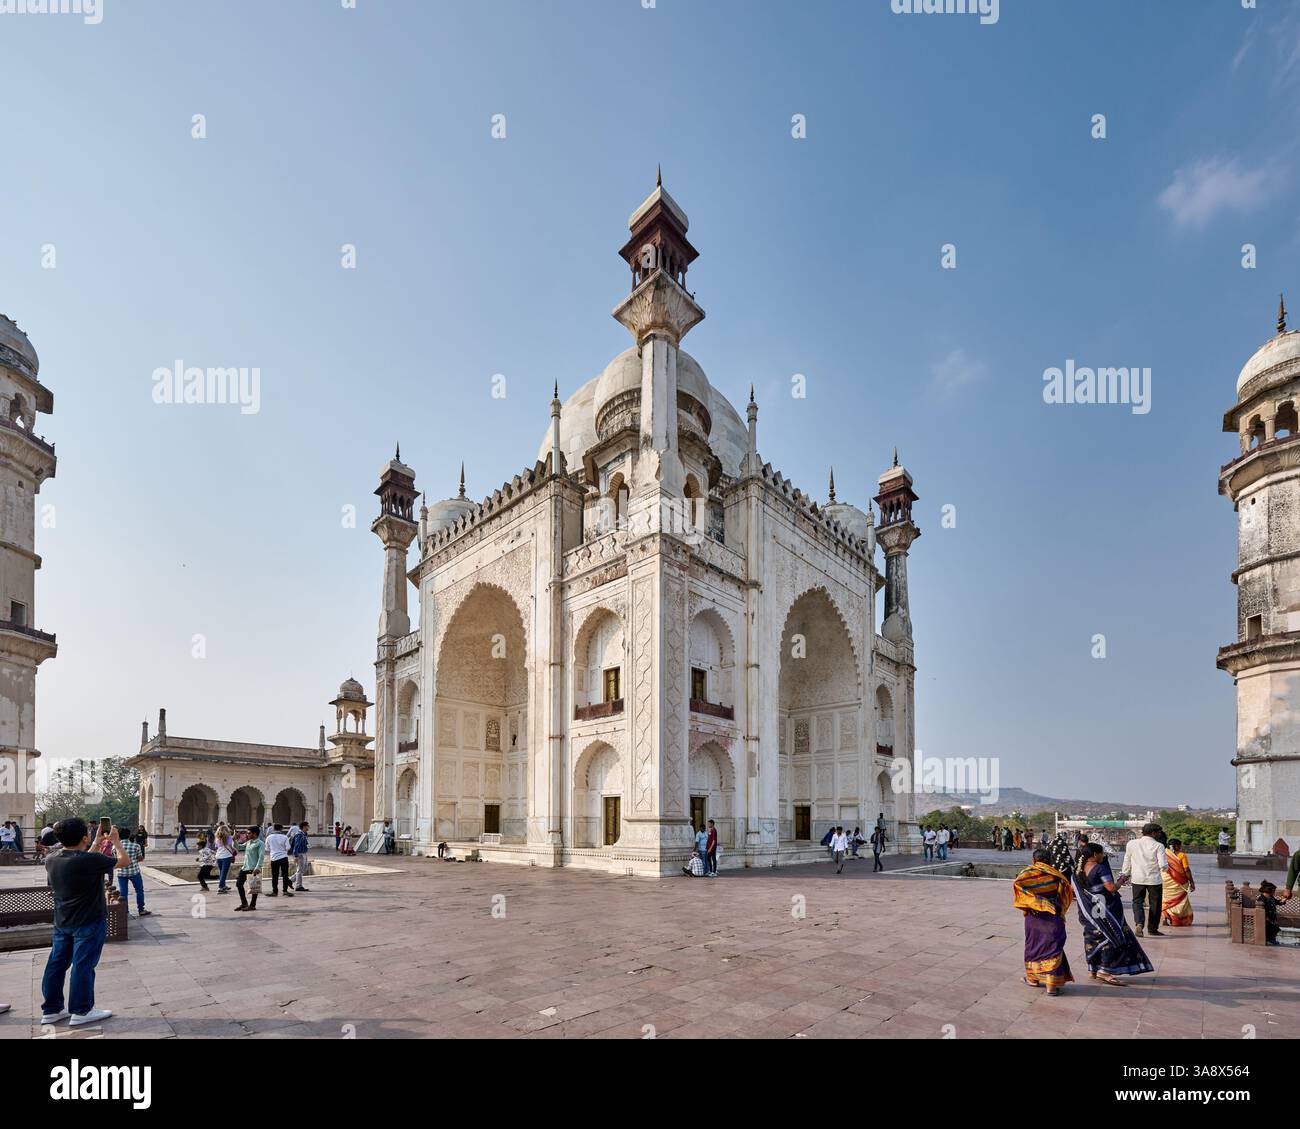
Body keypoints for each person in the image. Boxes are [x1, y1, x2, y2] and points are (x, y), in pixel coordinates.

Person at [41, 818, 131, 1027]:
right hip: (88, 921)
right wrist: (116, 842)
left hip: (63, 921)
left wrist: (97, 842)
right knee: (83, 965)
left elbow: (80, 858)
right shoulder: (90, 861)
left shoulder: (52, 858)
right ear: (84, 837)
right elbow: (124, 861)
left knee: (56, 964)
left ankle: (51, 1010)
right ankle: (82, 1011)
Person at [1071, 842, 1152, 986]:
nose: (1103, 856)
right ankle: (1104, 971)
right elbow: (1111, 888)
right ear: (1095, 855)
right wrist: (1122, 880)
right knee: (1112, 936)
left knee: (1093, 937)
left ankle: (1093, 969)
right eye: (1102, 853)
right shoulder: (1100, 868)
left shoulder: (1078, 870)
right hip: (1106, 909)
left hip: (1089, 911)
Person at [1012, 846, 1075, 996]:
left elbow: (1019, 890)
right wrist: (1055, 908)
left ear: (1034, 860)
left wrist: (1037, 902)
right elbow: (1066, 895)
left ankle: (1033, 979)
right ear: (1050, 860)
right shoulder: (1057, 875)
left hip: (1034, 918)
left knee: (1034, 947)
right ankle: (1051, 987)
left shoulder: (1026, 874)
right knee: (1053, 949)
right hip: (1053, 917)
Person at [1120, 823, 1168, 939]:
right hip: (1154, 880)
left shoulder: (1132, 844)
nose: (1159, 835)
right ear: (1153, 833)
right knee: (1155, 904)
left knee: (1137, 902)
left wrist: (1125, 874)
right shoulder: (1158, 846)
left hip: (1137, 878)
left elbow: (1127, 860)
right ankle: (1152, 929)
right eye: (1158, 832)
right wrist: (1165, 868)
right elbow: (1163, 865)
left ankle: (1139, 923)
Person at [113, 824, 150, 918]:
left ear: (119, 836)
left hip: (121, 872)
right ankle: (141, 910)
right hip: (134, 871)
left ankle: (125, 911)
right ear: (129, 836)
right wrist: (134, 859)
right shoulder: (135, 846)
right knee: (139, 890)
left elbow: (115, 859)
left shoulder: (115, 847)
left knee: (123, 892)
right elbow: (141, 858)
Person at [1161, 837, 1195, 928]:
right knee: (1180, 900)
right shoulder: (1181, 855)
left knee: (1166, 899)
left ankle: (1165, 918)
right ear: (1176, 846)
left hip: (1165, 880)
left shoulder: (1163, 853)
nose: (1181, 847)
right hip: (1179, 882)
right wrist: (1192, 882)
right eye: (1180, 845)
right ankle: (1177, 919)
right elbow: (1186, 869)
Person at [235, 825, 264, 912]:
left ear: (255, 834)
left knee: (254, 887)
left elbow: (261, 856)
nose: (247, 835)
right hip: (245, 867)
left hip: (253, 868)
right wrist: (234, 840)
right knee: (239, 884)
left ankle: (252, 905)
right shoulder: (248, 842)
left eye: (249, 833)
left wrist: (258, 867)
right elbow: (239, 847)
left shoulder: (260, 843)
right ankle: (244, 903)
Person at [213, 823, 235, 894]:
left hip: (218, 856)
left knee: (221, 872)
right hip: (226, 856)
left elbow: (216, 847)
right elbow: (230, 847)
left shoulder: (217, 838)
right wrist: (234, 850)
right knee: (224, 873)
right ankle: (221, 887)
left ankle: (223, 885)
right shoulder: (229, 838)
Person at [1258, 881, 1283, 945]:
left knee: (1275, 929)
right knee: (1270, 928)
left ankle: (1272, 939)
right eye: (1273, 891)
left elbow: (1278, 902)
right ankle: (1268, 940)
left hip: (1272, 917)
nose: (1274, 892)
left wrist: (1284, 899)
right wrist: (1267, 918)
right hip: (1266, 918)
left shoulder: (1271, 897)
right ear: (1268, 890)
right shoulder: (1262, 898)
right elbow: (1261, 910)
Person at [290, 821, 310, 890]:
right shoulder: (299, 835)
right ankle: (298, 886)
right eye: (307, 826)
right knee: (300, 870)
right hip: (300, 854)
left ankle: (290, 880)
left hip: (304, 853)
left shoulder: (304, 834)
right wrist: (296, 856)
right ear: (304, 827)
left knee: (304, 868)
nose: (308, 827)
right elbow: (296, 846)